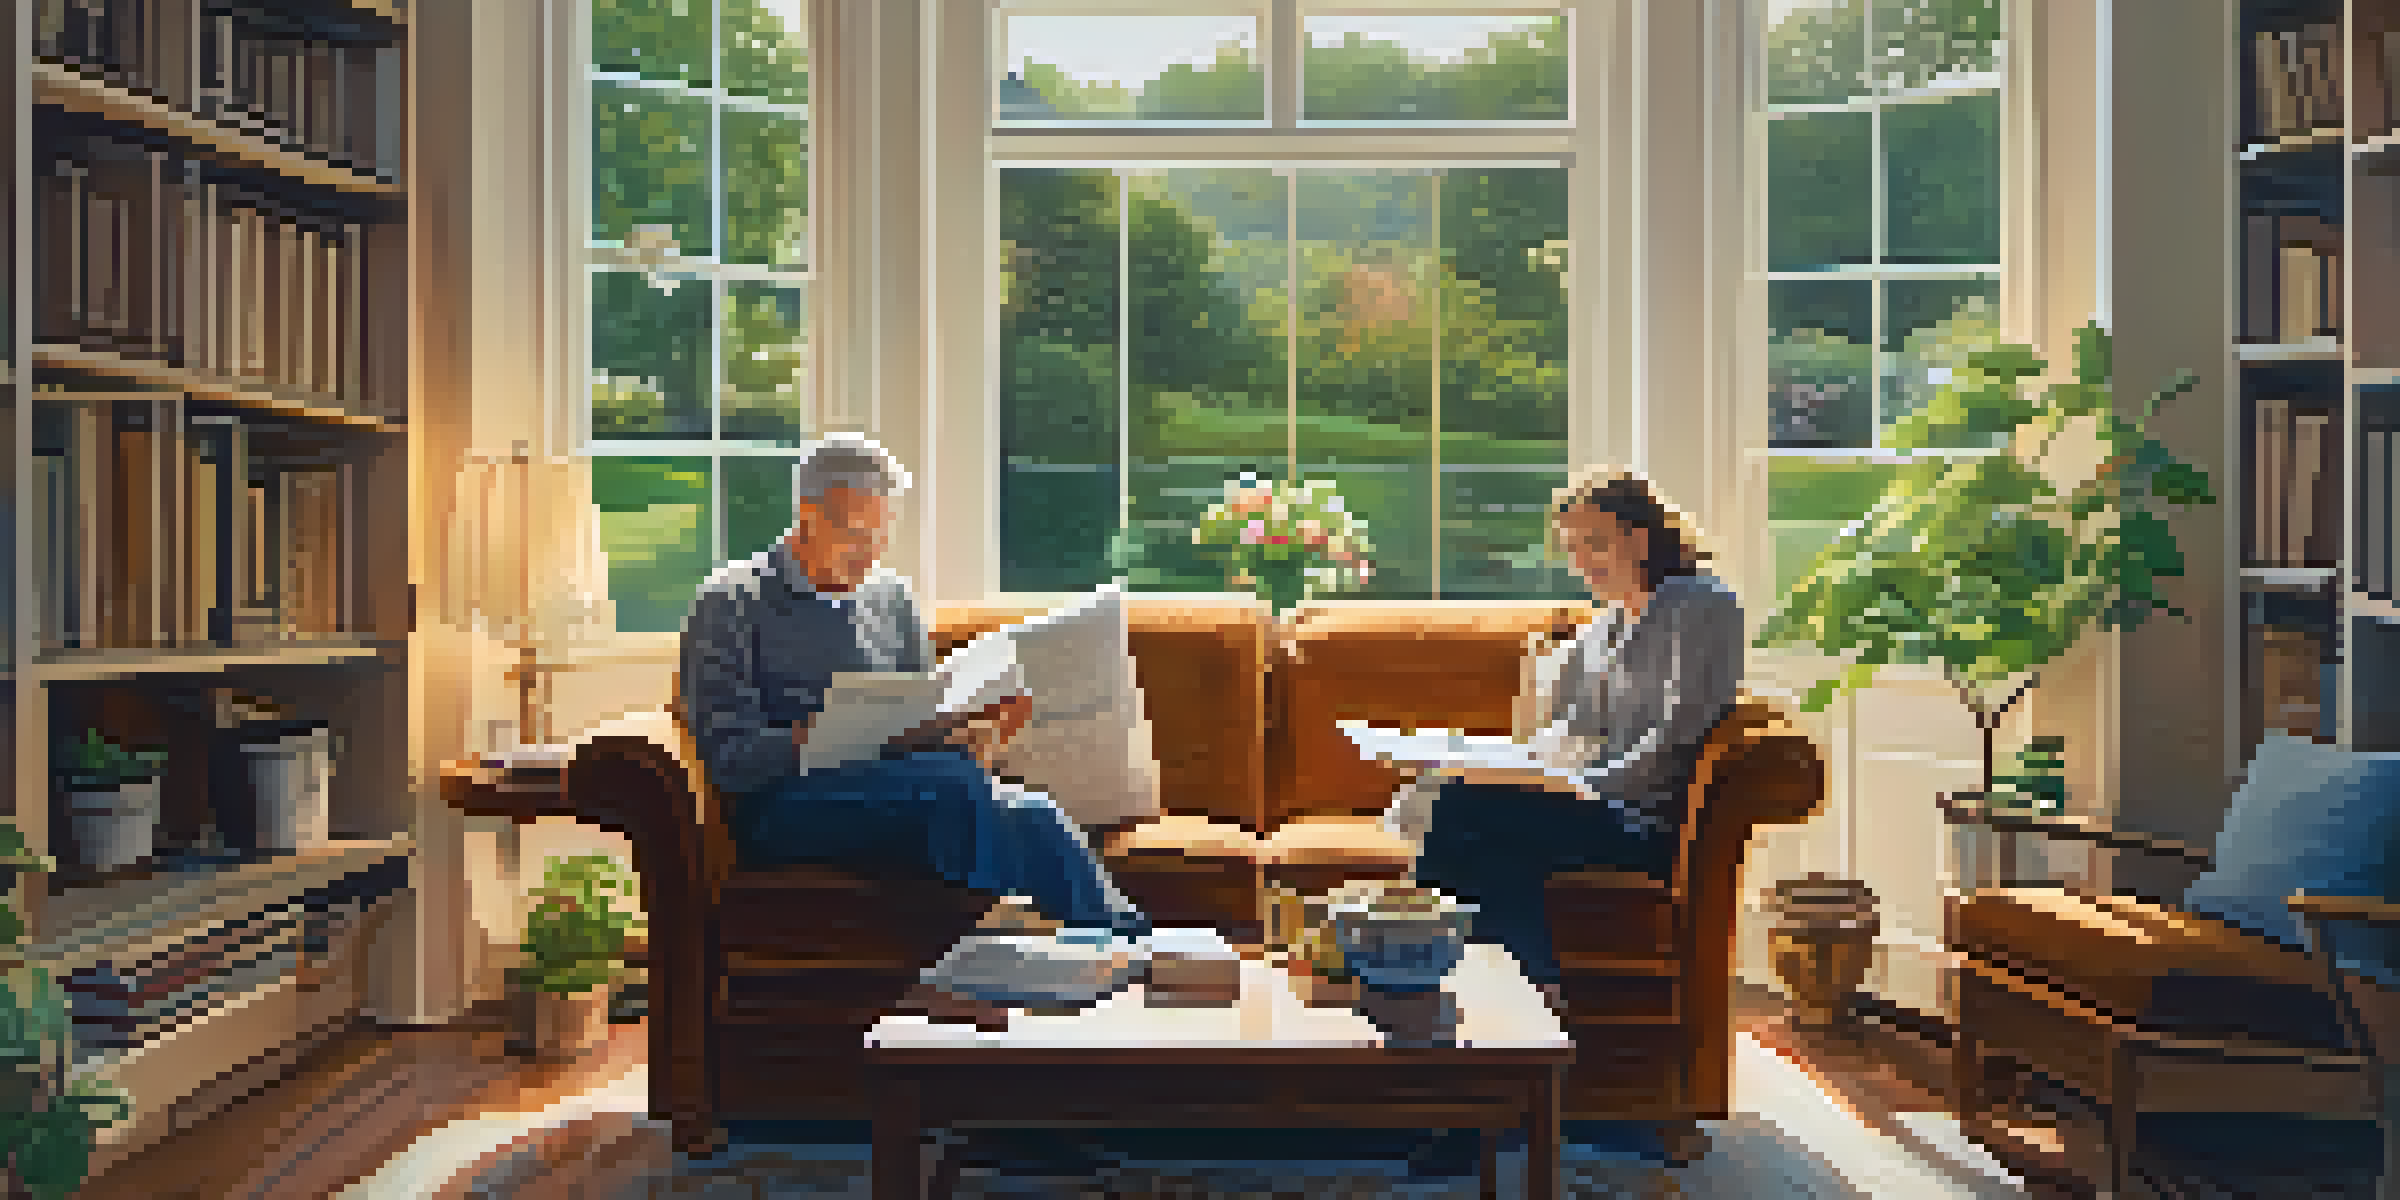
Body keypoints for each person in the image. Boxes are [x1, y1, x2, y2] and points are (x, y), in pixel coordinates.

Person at [678, 435, 1151, 1022]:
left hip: (909, 788)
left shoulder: (890, 598)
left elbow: (924, 713)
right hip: (789, 807)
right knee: (949, 785)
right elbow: (730, 760)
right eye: (854, 536)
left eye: (879, 538)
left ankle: (1135, 959)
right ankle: (984, 961)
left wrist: (975, 731)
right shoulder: (730, 602)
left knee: (1034, 812)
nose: (869, 556)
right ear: (806, 516)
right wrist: (818, 734)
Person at [1383, 466, 1745, 1006]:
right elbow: (1568, 733)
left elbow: (1676, 739)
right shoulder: (1607, 625)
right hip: (1596, 805)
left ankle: (1440, 975)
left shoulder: (1702, 607)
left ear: (1640, 537)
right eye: (1573, 547)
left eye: (1595, 544)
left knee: (1457, 811)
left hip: (1643, 821)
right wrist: (1499, 762)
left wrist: (1583, 786)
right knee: (1463, 822)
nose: (1582, 562)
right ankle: (1514, 985)